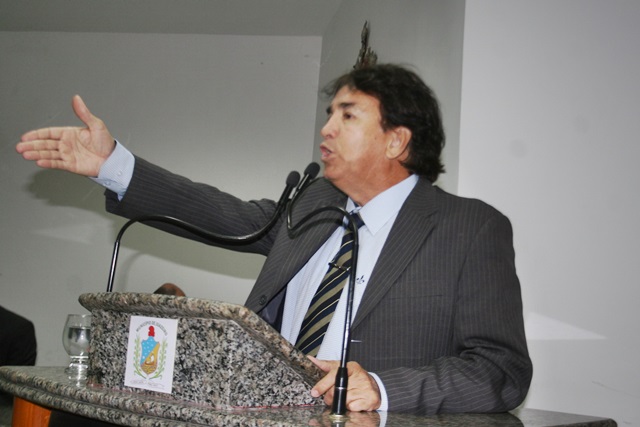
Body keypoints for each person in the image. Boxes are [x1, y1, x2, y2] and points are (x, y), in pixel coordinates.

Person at [16, 64, 532, 414]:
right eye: (329, 114)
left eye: (348, 115)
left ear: (397, 140)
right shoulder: (314, 203)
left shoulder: (469, 228)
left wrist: (380, 388)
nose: (326, 129)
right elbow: (222, 215)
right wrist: (113, 166)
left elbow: (501, 369)